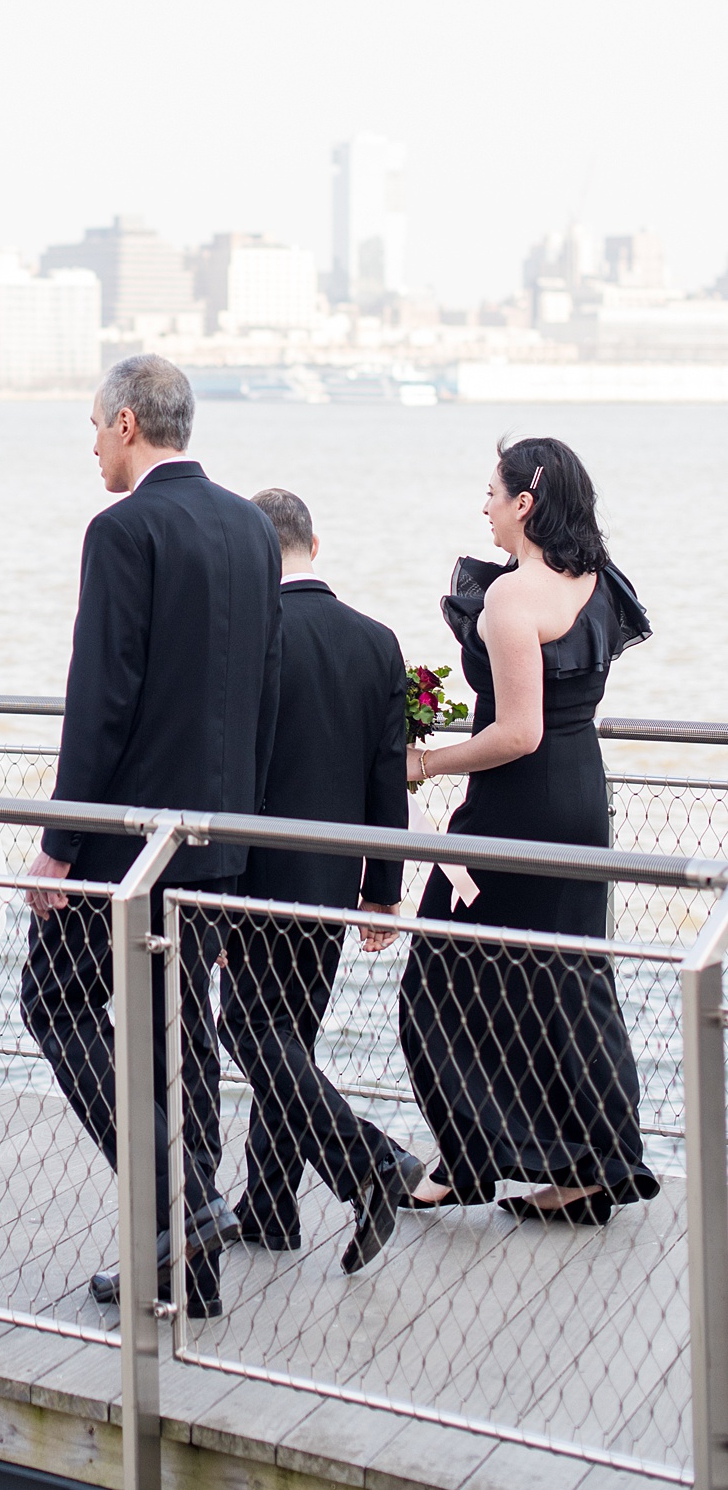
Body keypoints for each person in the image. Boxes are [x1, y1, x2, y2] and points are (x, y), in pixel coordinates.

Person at [20, 355, 282, 1317]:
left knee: (52, 1002)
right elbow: (267, 690)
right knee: (182, 1039)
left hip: (125, 842)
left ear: (127, 422)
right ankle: (190, 1269)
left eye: (94, 426)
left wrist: (59, 840)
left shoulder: (123, 527)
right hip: (218, 837)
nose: (91, 444)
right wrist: (242, 833)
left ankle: (181, 1201)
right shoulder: (252, 526)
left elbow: (102, 696)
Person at [398, 437, 657, 1223]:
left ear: (525, 504)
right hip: (582, 798)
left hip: (519, 805)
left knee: (435, 978)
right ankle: (589, 1165)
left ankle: (476, 1158)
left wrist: (429, 763)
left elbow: (518, 732)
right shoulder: (598, 583)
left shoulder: (514, 599)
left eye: (492, 492)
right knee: (567, 979)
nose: (483, 504)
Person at [220, 488, 422, 1276]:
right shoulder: (377, 641)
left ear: (253, 552)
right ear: (314, 542)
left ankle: (369, 1161)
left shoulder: (252, 633)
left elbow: (241, 772)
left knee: (248, 1028)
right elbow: (387, 781)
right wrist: (383, 889)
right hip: (336, 878)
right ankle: (269, 1208)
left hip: (260, 873)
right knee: (288, 1036)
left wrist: (223, 891)